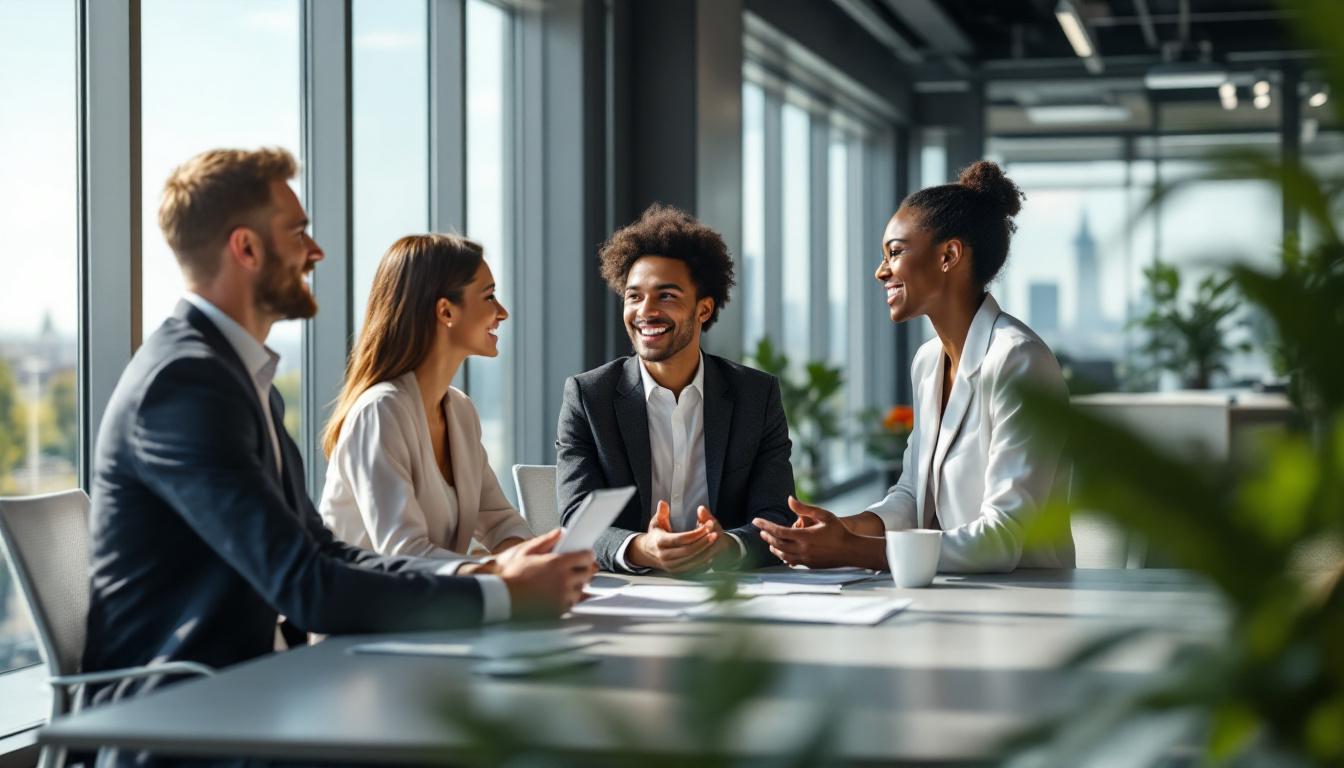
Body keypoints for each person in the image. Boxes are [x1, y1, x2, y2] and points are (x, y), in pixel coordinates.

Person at [84, 148, 594, 721]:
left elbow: (321, 551)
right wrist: (501, 593)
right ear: (246, 248)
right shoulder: (186, 384)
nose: (316, 251)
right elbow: (305, 584)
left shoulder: (238, 379)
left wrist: (496, 574)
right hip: (183, 713)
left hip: (247, 687)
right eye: (298, 231)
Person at [754, 161, 1074, 573]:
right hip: (950, 596)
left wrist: (852, 551)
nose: (880, 271)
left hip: (1030, 606)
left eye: (895, 252)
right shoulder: (928, 362)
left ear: (949, 255)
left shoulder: (1019, 360)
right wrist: (839, 530)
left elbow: (1003, 538)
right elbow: (911, 497)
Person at [556, 204, 795, 574]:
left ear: (703, 309)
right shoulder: (589, 398)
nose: (646, 311)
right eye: (634, 296)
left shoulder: (755, 396)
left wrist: (727, 545)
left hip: (726, 595)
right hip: (629, 596)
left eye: (666, 296)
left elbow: (776, 512)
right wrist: (641, 548)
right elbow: (576, 517)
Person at [319, 234, 541, 573]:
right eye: (489, 296)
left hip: (432, 612)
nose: (502, 312)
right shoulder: (379, 412)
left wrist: (531, 559)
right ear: (446, 311)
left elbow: (499, 522)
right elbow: (405, 554)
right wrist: (504, 574)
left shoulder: (460, 410)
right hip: (363, 621)